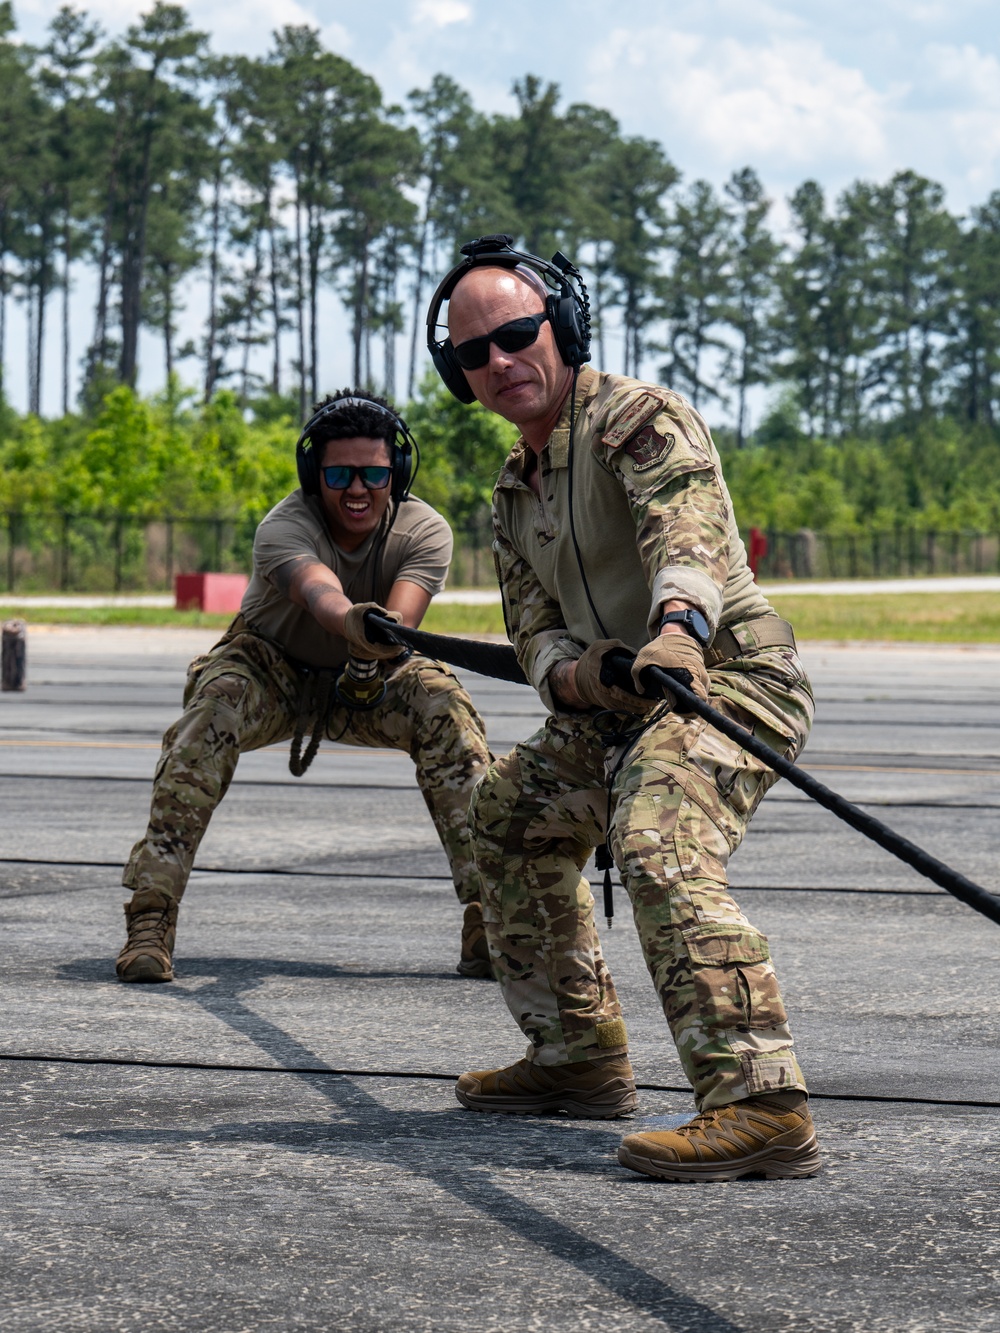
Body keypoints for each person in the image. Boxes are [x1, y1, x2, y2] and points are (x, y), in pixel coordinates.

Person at [426, 235, 820, 1182]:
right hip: (618, 708)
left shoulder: (637, 419)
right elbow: (535, 636)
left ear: (561, 326)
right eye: (473, 353)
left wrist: (675, 630)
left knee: (656, 836)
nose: (499, 361)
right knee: (505, 820)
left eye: (517, 333)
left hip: (727, 679)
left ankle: (760, 1101)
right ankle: (578, 1054)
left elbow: (686, 531)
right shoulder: (511, 493)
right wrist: (584, 676)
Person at [116, 390, 492, 984]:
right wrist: (350, 621)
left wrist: (378, 641)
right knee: (212, 712)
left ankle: (489, 919)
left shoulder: (424, 530)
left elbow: (403, 621)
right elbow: (314, 588)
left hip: (378, 673)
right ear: (313, 474)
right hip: (271, 669)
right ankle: (151, 918)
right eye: (339, 474)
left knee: (445, 709)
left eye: (374, 473)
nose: (357, 490)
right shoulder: (285, 524)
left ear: (397, 471)